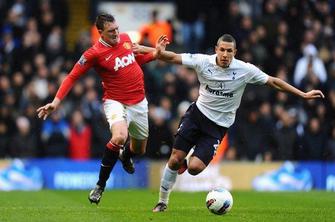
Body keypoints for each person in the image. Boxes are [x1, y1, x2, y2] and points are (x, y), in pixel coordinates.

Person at [134, 34, 324, 212]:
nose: (225, 54)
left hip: (218, 126)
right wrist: (143, 48)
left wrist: (302, 94)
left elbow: (273, 82)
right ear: (216, 49)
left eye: (229, 51)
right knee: (174, 159)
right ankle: (162, 202)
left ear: (235, 52)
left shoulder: (245, 70)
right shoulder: (203, 61)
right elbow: (173, 57)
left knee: (194, 168)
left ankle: (187, 159)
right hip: (196, 116)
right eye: (222, 50)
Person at [36, 13, 163, 205]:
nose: (116, 33)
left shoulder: (127, 39)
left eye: (117, 29)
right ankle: (100, 186)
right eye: (111, 31)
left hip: (138, 102)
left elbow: (135, 61)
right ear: (100, 32)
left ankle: (126, 155)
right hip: (115, 101)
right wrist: (56, 101)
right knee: (119, 136)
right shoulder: (93, 53)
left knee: (139, 149)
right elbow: (72, 76)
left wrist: (155, 54)